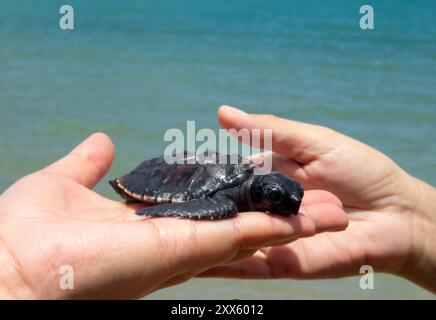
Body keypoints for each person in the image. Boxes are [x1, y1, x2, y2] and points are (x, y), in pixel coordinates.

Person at [203, 105, 436, 294]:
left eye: (299, 193)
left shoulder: (251, 178)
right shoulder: (229, 190)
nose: (294, 203)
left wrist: (408, 219)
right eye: (275, 196)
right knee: (223, 209)